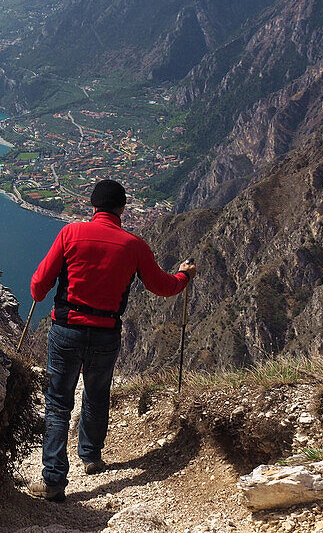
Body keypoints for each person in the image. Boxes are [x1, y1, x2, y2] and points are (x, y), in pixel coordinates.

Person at [26, 179, 196, 502]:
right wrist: (184, 276)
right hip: (106, 334)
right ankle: (90, 456)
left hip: (66, 331)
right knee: (97, 393)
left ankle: (53, 480)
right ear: (121, 209)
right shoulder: (134, 246)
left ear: (93, 207)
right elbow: (163, 286)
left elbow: (39, 285)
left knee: (59, 402)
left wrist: (39, 291)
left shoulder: (70, 234)